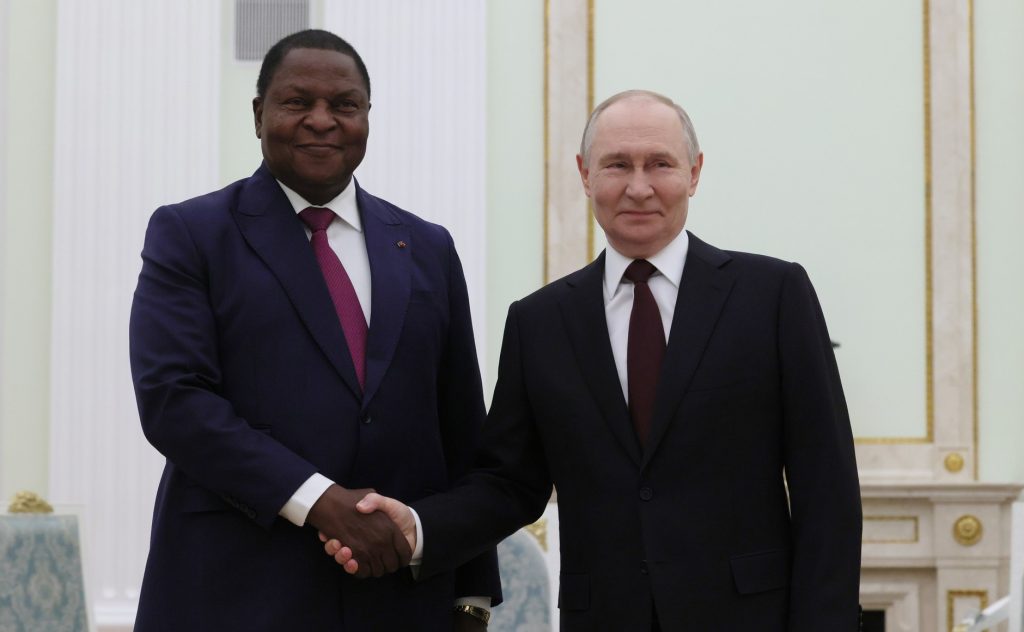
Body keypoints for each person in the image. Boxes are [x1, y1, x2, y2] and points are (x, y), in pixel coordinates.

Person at [325, 90, 863, 630]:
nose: (638, 187)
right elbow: (509, 483)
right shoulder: (538, 323)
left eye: (660, 164)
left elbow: (827, 488)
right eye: (617, 165)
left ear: (694, 173)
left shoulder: (773, 297)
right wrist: (420, 526)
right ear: (585, 175)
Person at [129, 29, 499, 631]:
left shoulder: (427, 246)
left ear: (367, 117)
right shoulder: (192, 234)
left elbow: (459, 424)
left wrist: (472, 595)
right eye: (298, 102)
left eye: (344, 105)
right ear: (259, 114)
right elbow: (175, 401)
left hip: (399, 600)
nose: (322, 121)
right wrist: (320, 502)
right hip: (236, 594)